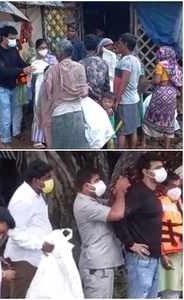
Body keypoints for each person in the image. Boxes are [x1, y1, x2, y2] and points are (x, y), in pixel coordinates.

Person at [114, 153, 166, 298]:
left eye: (162, 167)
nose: (162, 170)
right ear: (145, 171)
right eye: (158, 167)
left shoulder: (151, 193)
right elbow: (118, 217)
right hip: (141, 260)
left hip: (154, 258)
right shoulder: (137, 193)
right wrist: (130, 243)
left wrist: (161, 253)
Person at [73, 168, 131, 298]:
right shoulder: (85, 205)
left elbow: (112, 205)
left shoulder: (92, 200)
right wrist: (121, 191)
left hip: (100, 265)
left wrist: (115, 192)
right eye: (96, 181)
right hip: (97, 266)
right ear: (86, 186)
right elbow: (117, 213)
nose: (100, 183)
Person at [4, 160, 55, 298]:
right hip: (23, 261)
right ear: (36, 180)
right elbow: (15, 232)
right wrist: (41, 244)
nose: (51, 181)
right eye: (47, 178)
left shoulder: (37, 194)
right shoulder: (22, 199)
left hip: (36, 259)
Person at [39, 39, 89, 149]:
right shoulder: (80, 67)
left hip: (58, 114)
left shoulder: (51, 71)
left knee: (61, 151)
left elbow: (46, 96)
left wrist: (44, 116)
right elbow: (84, 91)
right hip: (77, 113)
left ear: (59, 54)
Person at [0, 25, 31, 145]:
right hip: (0, 86)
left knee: (14, 111)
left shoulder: (13, 50)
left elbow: (20, 62)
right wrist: (21, 70)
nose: (14, 40)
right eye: (12, 38)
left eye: (15, 38)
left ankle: (8, 133)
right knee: (5, 114)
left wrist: (28, 66)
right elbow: (2, 70)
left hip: (13, 85)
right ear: (4, 37)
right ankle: (5, 140)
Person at [143, 46, 183, 148]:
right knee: (169, 119)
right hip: (172, 95)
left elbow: (156, 81)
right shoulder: (176, 66)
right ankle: (167, 145)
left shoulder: (160, 65)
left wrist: (150, 81)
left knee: (150, 117)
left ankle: (145, 143)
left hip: (161, 93)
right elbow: (180, 84)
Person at [114, 33, 143, 149]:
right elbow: (139, 79)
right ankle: (132, 151)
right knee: (133, 129)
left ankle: (121, 152)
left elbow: (124, 82)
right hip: (133, 99)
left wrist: (117, 99)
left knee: (121, 131)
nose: (118, 46)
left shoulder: (126, 61)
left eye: (120, 44)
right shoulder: (136, 60)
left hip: (124, 101)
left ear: (125, 44)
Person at [158, 173, 182, 299]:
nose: (177, 189)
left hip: (180, 255)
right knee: (170, 293)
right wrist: (162, 254)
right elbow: (155, 231)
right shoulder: (160, 203)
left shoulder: (179, 204)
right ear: (164, 187)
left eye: (179, 186)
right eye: (173, 186)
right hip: (169, 256)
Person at [30, 39, 57, 148]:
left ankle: (50, 138)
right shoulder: (33, 60)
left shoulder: (53, 59)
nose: (43, 50)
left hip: (51, 88)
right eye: (41, 48)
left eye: (45, 47)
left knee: (50, 112)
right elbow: (30, 78)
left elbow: (56, 73)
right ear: (36, 49)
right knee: (38, 110)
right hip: (38, 87)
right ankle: (38, 139)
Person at [79, 34, 110, 104]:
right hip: (100, 99)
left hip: (86, 100)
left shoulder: (80, 64)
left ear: (84, 47)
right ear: (97, 46)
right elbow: (107, 86)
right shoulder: (104, 63)